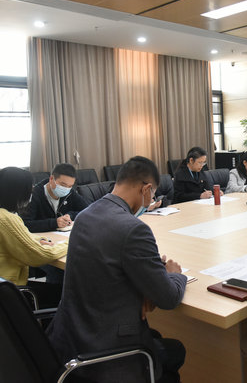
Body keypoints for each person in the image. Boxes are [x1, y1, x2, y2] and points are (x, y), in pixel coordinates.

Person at [46, 157, 187, 382]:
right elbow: (169, 298)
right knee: (176, 349)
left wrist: (147, 276)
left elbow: (105, 269)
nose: (151, 200)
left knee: (156, 335)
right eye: (152, 195)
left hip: (70, 340)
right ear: (146, 189)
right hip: (105, 354)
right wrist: (175, 275)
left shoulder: (84, 216)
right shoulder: (134, 229)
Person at [0, 167, 68, 307]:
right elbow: (41, 255)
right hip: (9, 293)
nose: (31, 193)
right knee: (64, 294)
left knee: (56, 279)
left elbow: (22, 236)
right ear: (18, 192)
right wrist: (68, 244)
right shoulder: (6, 220)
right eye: (29, 190)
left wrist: (40, 240)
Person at [21, 163, 89, 232]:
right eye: (63, 185)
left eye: (70, 186)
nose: (66, 189)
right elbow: (25, 224)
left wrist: (70, 215)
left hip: (62, 235)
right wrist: (54, 223)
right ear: (51, 179)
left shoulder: (70, 192)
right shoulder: (34, 194)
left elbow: (88, 210)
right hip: (42, 236)